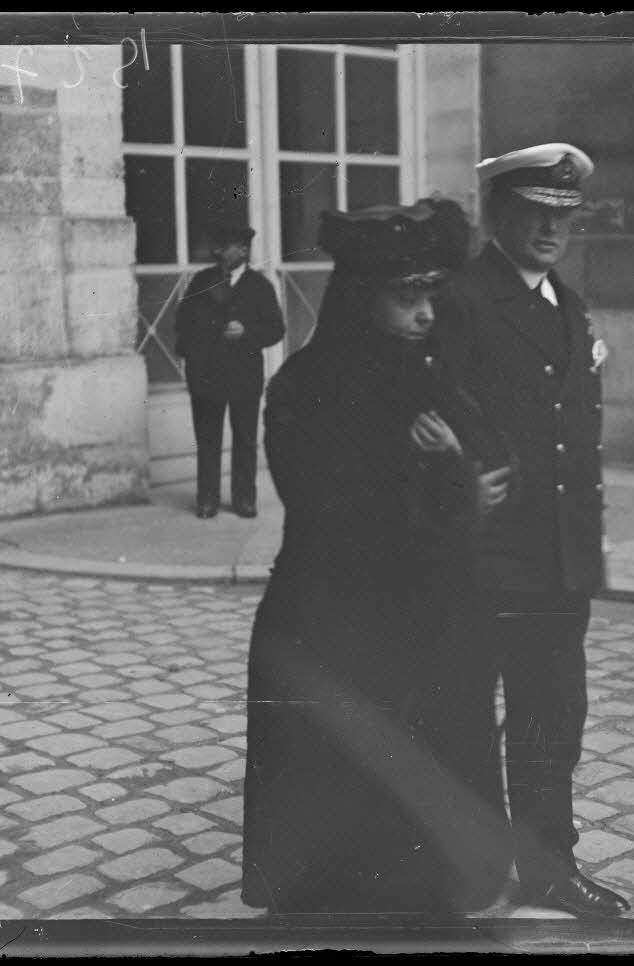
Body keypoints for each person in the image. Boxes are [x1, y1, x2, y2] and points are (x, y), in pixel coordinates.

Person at [241, 198, 515, 916]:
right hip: (339, 616)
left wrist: (465, 476)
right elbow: (330, 512)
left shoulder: (429, 371)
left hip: (428, 616)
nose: (425, 313)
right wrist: (456, 491)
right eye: (406, 298)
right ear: (361, 298)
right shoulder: (306, 387)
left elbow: (491, 461)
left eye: (431, 295)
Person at [433, 143, 629, 917]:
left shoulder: (570, 308)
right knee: (462, 719)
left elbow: (574, 439)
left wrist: (586, 543)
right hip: (483, 556)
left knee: (553, 718)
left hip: (556, 561)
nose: (550, 231)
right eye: (534, 213)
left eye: (563, 217)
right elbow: (426, 416)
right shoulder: (460, 301)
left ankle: (549, 868)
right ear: (497, 215)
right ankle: (461, 872)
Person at [174, 221, 285, 519]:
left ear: (244, 251)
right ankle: (207, 499)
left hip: (243, 376)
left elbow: (276, 329)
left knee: (245, 440)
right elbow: (182, 322)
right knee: (208, 440)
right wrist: (198, 352)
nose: (219, 252)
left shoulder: (260, 286)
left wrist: (247, 332)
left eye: (227, 246)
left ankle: (244, 499)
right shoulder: (201, 282)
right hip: (206, 375)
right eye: (219, 246)